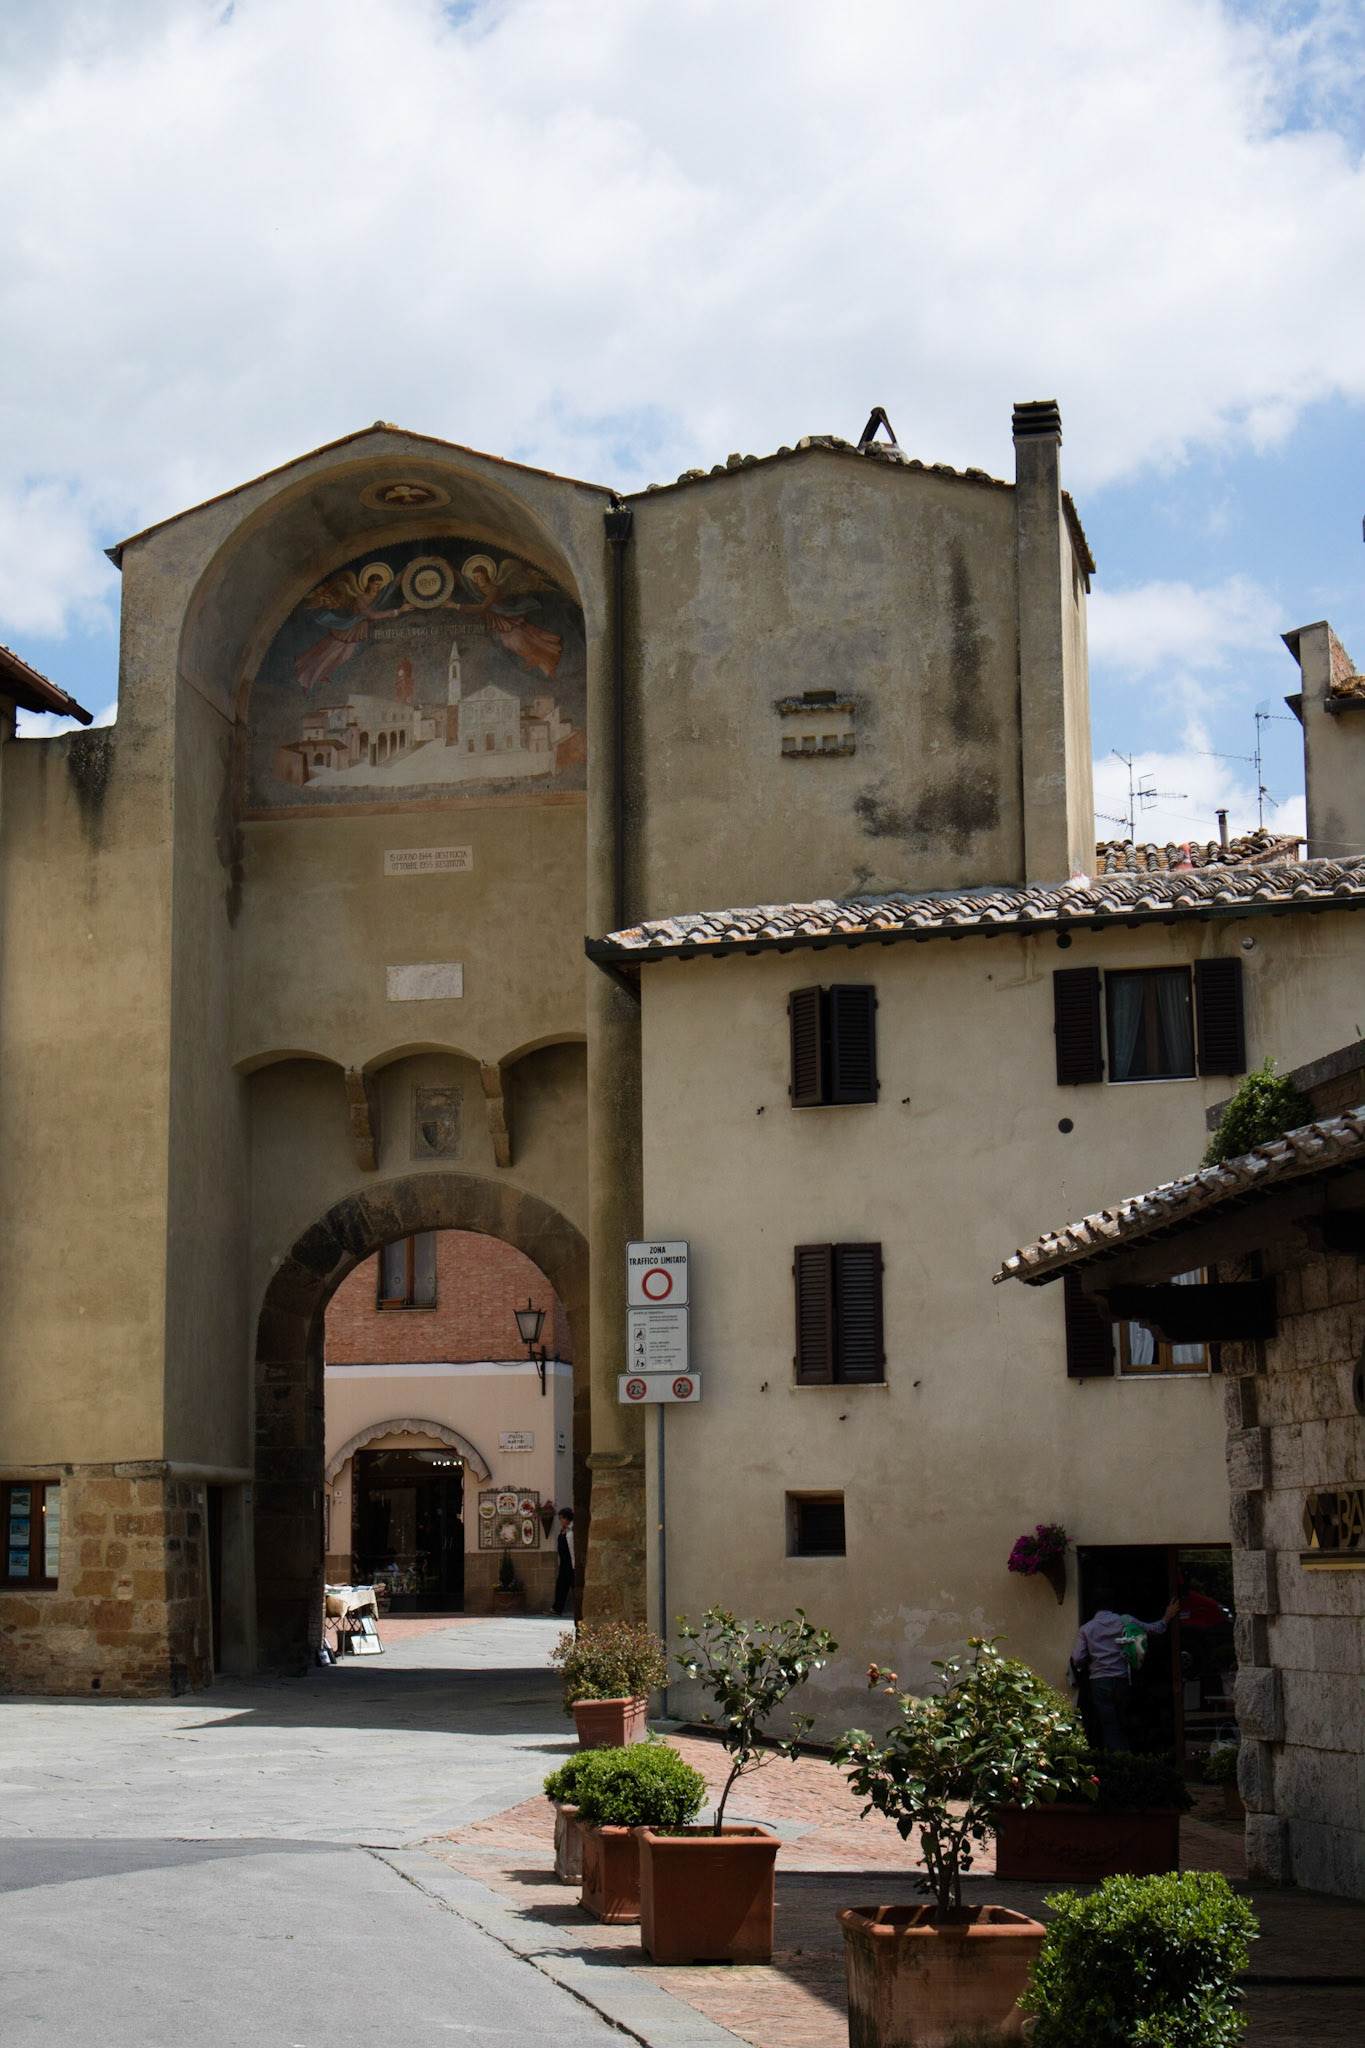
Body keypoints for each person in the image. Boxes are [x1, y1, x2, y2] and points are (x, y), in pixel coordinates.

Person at [1071, 1585, 1180, 1751]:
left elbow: (1078, 1658)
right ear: (1112, 1603)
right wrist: (1167, 1617)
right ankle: (1124, 1759)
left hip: (1099, 1682)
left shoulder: (1086, 1629)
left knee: (1108, 1726)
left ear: (1094, 1605)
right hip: (1122, 1681)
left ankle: (1118, 1761)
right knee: (1122, 1724)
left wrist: (1088, 1664)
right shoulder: (1125, 1621)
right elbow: (1153, 1630)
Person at [552, 1507, 575, 1617]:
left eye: (561, 1518)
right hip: (564, 1564)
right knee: (561, 1586)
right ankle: (557, 1609)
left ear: (567, 1518)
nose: (560, 1521)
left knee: (575, 1587)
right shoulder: (563, 1531)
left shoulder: (572, 1531)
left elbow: (572, 1549)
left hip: (571, 1564)